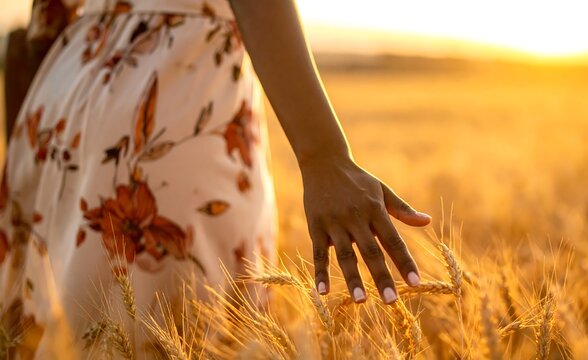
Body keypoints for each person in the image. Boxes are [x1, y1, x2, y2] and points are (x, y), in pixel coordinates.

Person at [0, 0, 431, 356]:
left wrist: (33, 138)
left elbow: (46, 18)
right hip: (173, 94)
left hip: (64, 95)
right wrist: (324, 154)